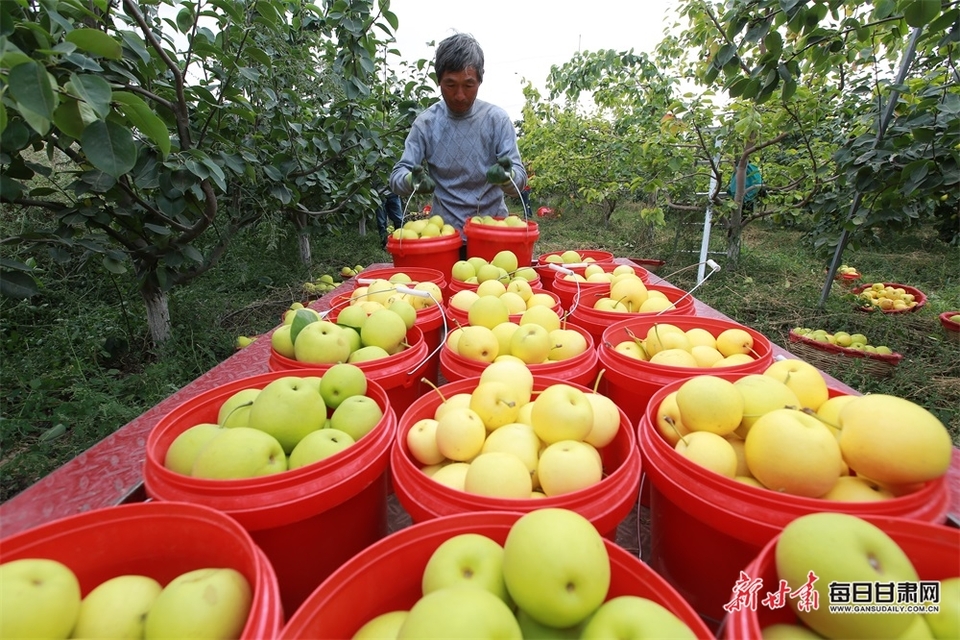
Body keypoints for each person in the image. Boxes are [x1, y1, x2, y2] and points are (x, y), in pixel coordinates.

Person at [389, 32, 527, 256]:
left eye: (468, 85)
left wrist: (507, 177)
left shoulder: (496, 120)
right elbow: (397, 178)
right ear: (438, 81)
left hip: (492, 233)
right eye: (450, 85)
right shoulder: (426, 124)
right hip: (444, 237)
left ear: (480, 81)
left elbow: (519, 180)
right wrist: (409, 180)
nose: (460, 95)